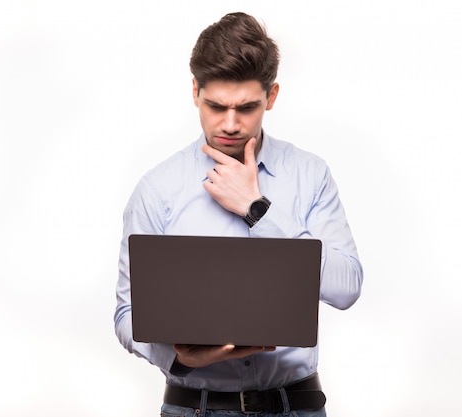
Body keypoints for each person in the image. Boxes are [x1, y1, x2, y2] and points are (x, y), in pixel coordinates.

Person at [114, 11, 363, 417]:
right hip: (194, 407)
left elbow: (346, 286)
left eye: (247, 107)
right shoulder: (157, 189)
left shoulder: (309, 174)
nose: (230, 124)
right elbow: (127, 316)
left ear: (272, 97)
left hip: (293, 405)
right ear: (195, 91)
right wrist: (183, 358)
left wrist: (258, 209)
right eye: (216, 106)